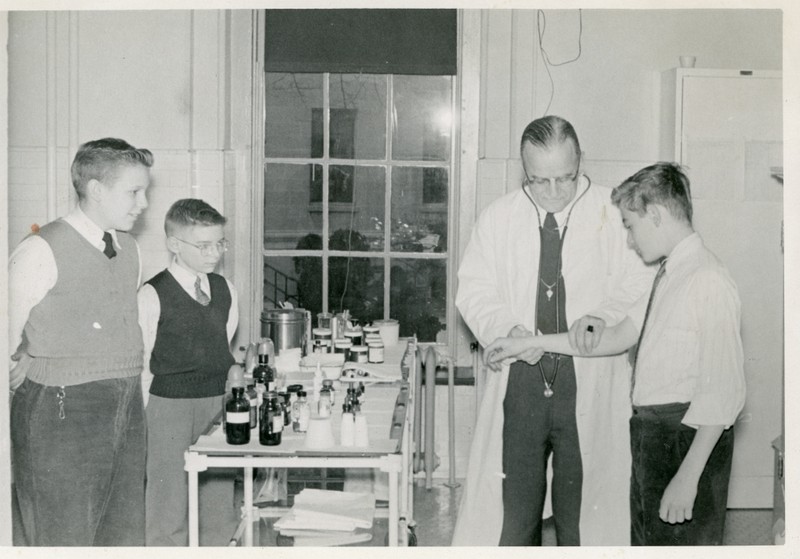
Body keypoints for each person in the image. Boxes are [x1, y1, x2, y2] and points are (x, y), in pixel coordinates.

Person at [483, 162, 746, 546]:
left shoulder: (709, 280)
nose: (628, 238)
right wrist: (527, 344)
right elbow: (616, 336)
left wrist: (687, 479)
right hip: (651, 438)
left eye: (629, 224)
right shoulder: (671, 274)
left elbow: (722, 396)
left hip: (685, 444)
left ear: (654, 215)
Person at [452, 115, 654, 546]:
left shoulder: (614, 213)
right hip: (520, 384)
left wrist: (603, 314)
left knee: (582, 518)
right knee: (512, 515)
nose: (554, 192)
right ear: (523, 171)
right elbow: (474, 290)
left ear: (581, 161)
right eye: (539, 181)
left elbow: (638, 283)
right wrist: (507, 327)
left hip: (588, 377)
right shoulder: (498, 217)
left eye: (564, 178)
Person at [8, 138, 152, 546]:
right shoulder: (40, 249)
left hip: (126, 404)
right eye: (134, 192)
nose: (142, 203)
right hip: (63, 410)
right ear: (95, 189)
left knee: (123, 535)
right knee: (64, 536)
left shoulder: (130, 249)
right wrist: (15, 364)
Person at [138, 198, 238, 546]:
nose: (214, 254)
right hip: (168, 406)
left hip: (216, 406)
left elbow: (220, 345)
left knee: (218, 497)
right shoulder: (153, 293)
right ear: (174, 245)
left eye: (220, 244)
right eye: (204, 246)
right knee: (168, 498)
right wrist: (147, 415)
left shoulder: (226, 290)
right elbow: (143, 359)